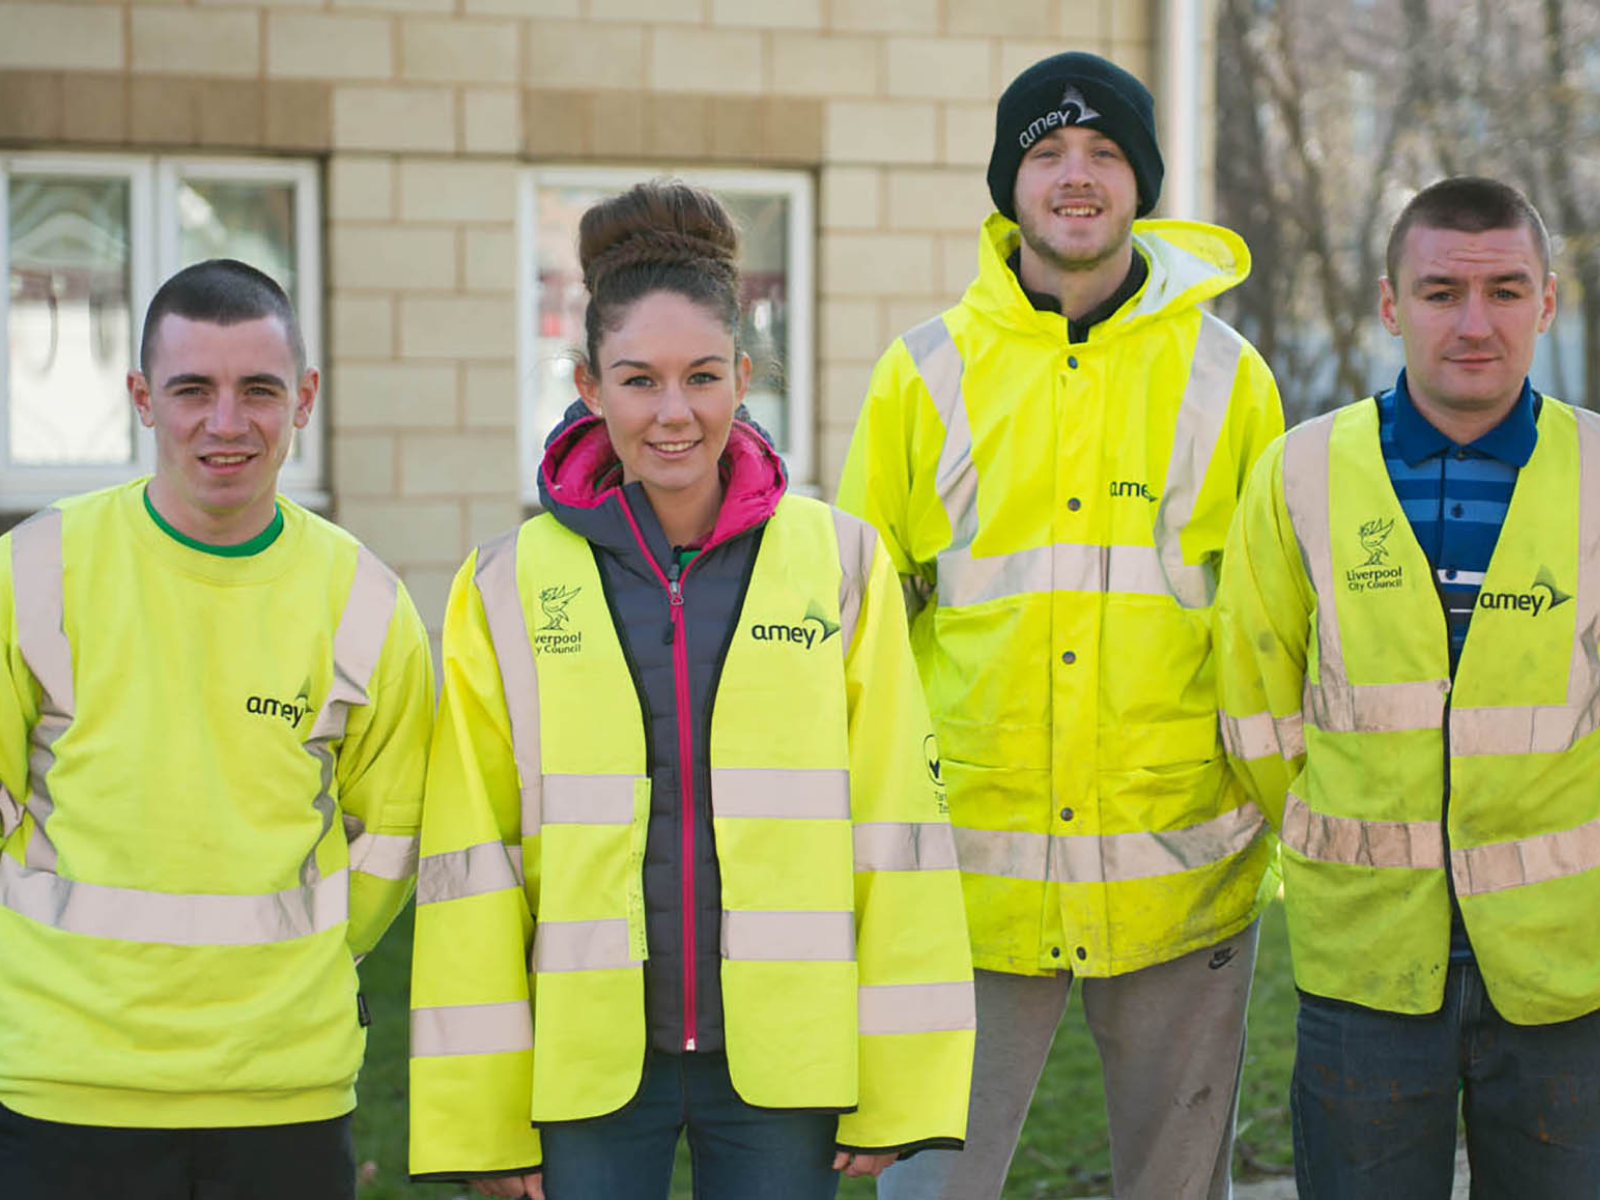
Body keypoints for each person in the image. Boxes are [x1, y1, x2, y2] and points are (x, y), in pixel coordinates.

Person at [406, 180, 975, 1200]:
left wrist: (894, 1082)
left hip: (783, 1068)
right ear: (587, 385)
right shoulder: (502, 585)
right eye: (638, 380)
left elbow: (898, 824)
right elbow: (468, 863)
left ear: (744, 377)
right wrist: (484, 1114)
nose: (674, 413)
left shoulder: (840, 562)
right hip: (585, 1072)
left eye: (703, 376)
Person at [837, 51, 1285, 1200]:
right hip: (967, 874)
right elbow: (864, 629)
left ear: (1142, 182)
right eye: (1046, 153)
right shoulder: (921, 374)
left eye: (1103, 154)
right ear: (1008, 182)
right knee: (926, 1190)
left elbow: (1271, 624)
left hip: (1181, 869)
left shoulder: (1230, 379)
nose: (1075, 177)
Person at [0, 258, 434, 1199]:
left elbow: (391, 836)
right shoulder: (34, 569)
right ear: (142, 397)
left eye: (259, 390)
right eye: (193, 388)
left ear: (305, 397)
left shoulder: (364, 599)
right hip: (64, 1083)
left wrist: (287, 966)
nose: (226, 422)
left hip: (284, 1086)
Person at [1216, 175, 1600, 1197]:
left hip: (1570, 973)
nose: (1473, 323)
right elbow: (1253, 704)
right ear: (1390, 307)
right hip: (1366, 966)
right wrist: (1339, 835)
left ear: (1547, 302)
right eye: (1439, 293)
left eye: (1506, 291)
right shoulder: (1299, 473)